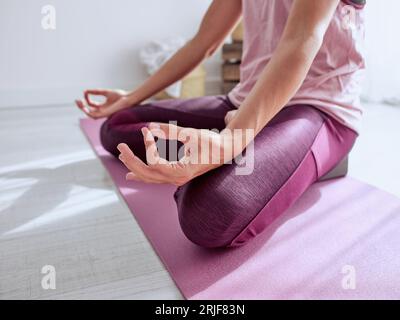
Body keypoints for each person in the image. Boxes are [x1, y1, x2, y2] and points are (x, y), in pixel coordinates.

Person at [76, 0, 366, 248]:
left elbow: (301, 39)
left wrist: (231, 140)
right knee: (119, 126)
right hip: (243, 103)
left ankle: (254, 152)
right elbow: (204, 41)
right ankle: (232, 150)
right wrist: (132, 96)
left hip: (317, 110)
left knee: (206, 216)